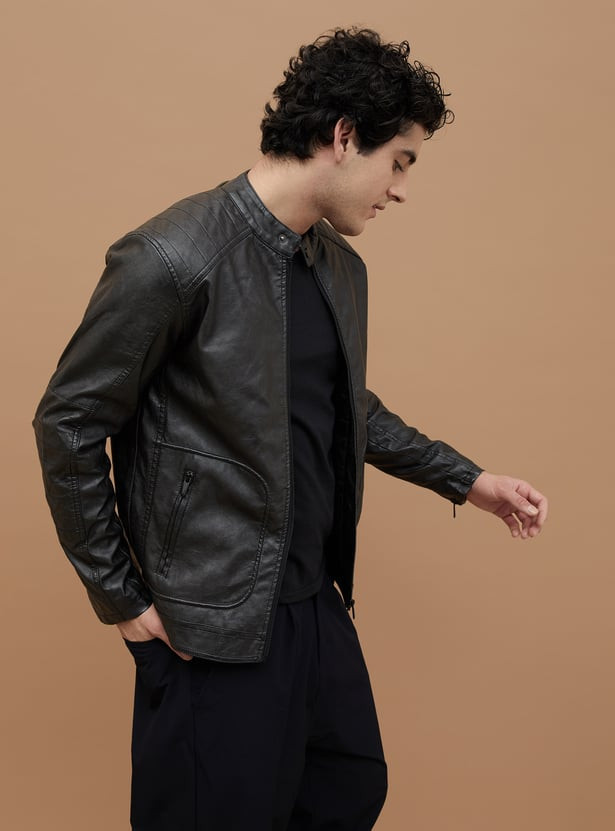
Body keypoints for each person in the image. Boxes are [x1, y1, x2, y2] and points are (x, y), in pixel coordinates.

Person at [33, 27, 548, 831]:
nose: (400, 189)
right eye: (399, 161)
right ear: (343, 136)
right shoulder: (174, 255)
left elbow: (343, 408)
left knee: (347, 786)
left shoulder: (336, 266)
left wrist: (468, 480)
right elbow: (68, 419)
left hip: (312, 602)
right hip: (213, 624)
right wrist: (121, 598)